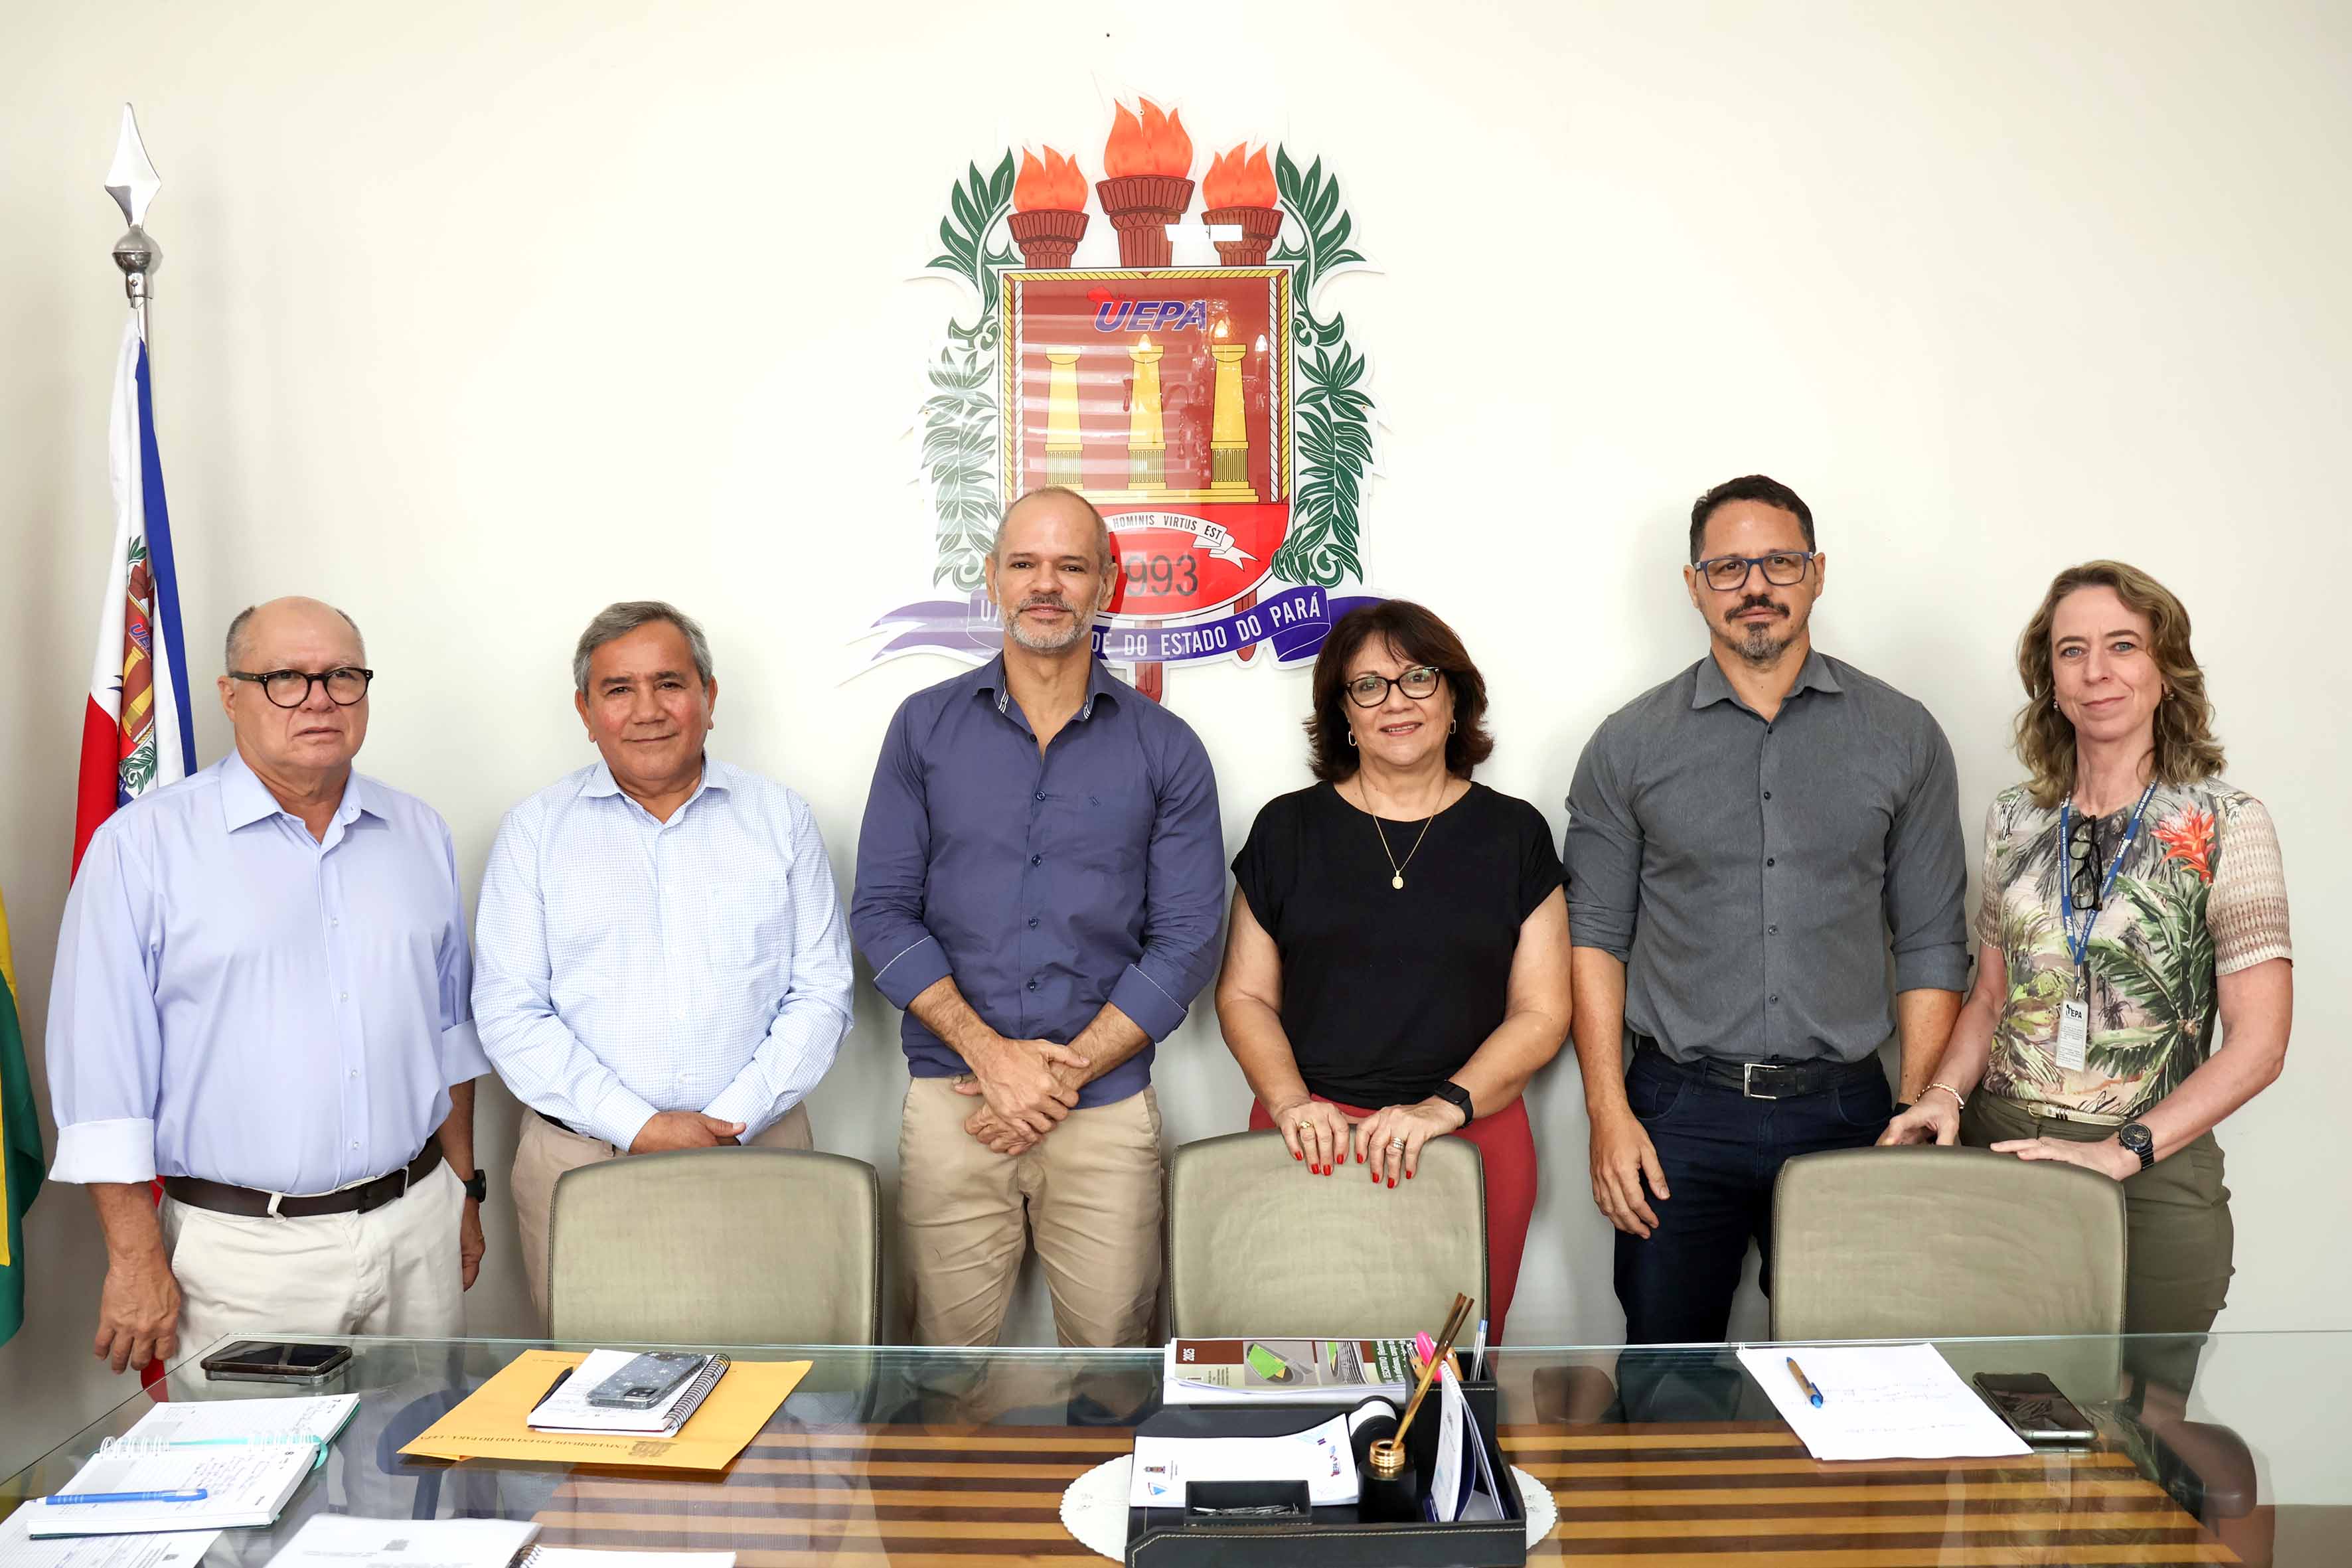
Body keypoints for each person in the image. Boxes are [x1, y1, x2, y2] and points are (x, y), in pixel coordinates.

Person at [1565, 475, 1968, 1349]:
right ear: (1692, 584)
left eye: (1778, 561)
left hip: (1848, 1114)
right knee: (1670, 1376)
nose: (1755, 585)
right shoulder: (1627, 745)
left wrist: (1912, 1115)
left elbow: (1932, 940)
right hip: (1676, 1112)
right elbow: (1594, 939)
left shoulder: (1901, 735)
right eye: (1728, 566)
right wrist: (1607, 1112)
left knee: (1859, 1370)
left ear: (1816, 573)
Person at [47, 597, 488, 1372]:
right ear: (231, 695)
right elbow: (101, 1077)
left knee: (422, 1479)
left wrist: (463, 1191)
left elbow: (449, 1036)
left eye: (342, 676)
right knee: (255, 1485)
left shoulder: (420, 833)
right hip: (245, 1256)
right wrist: (134, 1257)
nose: (319, 699)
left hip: (418, 1225)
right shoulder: (142, 850)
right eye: (287, 677)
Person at [1881, 560, 2290, 1385]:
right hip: (2004, 1153)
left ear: (2165, 670)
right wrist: (1941, 1095)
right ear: (2051, 680)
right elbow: (1991, 995)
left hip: (2155, 1174)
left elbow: (2261, 1044)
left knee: (2147, 1443)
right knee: (1993, 1426)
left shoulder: (2229, 823)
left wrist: (2118, 1153)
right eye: (2073, 651)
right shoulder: (2013, 818)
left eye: (2122, 646)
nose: (2097, 671)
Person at [850, 487, 1224, 1348]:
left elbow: (1186, 940)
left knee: (1115, 1375)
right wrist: (992, 1056)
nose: (1044, 584)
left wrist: (1057, 1076)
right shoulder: (923, 729)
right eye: (1023, 563)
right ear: (991, 578)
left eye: (1069, 565)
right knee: (940, 1379)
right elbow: (881, 909)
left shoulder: (1164, 748)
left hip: (1104, 1117)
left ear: (1107, 583)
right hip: (955, 1102)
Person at [475, 600, 854, 1323]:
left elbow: (823, 991)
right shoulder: (535, 833)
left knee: (771, 1381)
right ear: (586, 711)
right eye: (618, 689)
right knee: (599, 1401)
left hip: (759, 1150)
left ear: (709, 698)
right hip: (584, 1163)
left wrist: (730, 1119)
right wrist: (637, 1124)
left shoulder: (781, 820)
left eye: (670, 683)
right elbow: (510, 1009)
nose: (647, 709)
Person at [1215, 600, 1570, 1344]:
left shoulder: (1516, 834)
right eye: (1369, 686)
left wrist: (1441, 1108)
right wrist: (1288, 1105)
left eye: (1417, 677)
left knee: (1453, 1383)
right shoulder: (1287, 829)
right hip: (1309, 1139)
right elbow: (1245, 994)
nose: (1397, 701)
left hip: (1471, 1140)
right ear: (1343, 713)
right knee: (1299, 1369)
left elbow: (1542, 1012)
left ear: (1454, 699)